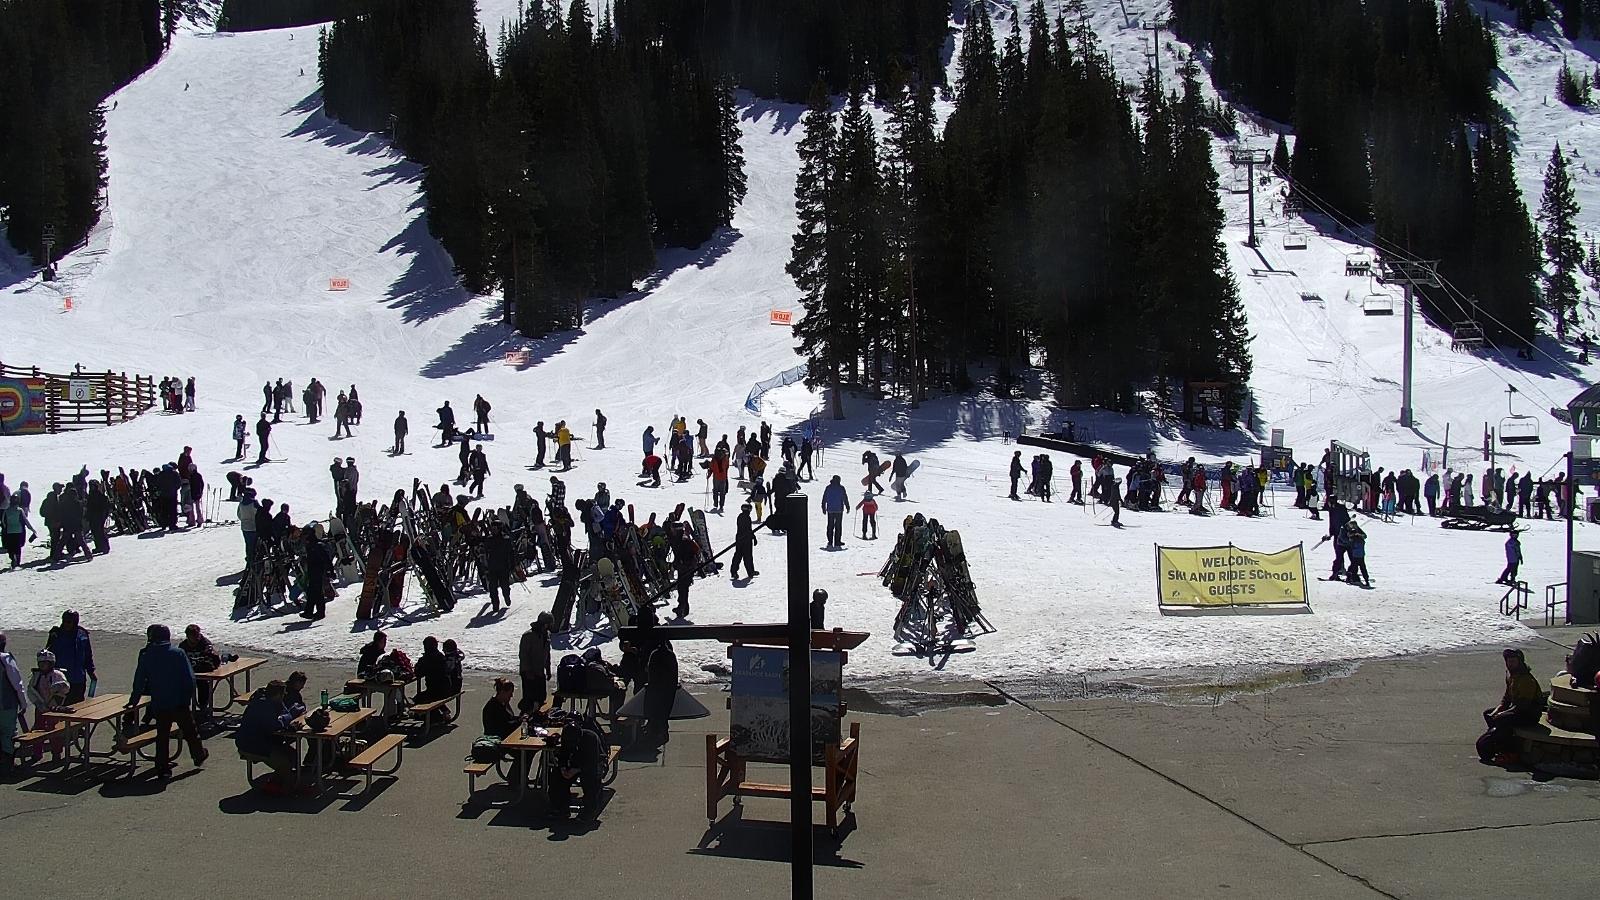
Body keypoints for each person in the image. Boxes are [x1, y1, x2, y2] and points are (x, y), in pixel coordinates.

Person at [127, 624, 209, 777]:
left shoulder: (146, 655)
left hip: (160, 702)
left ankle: (162, 767)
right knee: (190, 731)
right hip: (179, 702)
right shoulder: (178, 653)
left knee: (162, 735)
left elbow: (139, 680)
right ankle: (198, 755)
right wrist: (187, 697)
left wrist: (134, 700)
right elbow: (189, 678)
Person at [1477, 648, 1545, 766]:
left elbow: (1522, 706)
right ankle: (1499, 742)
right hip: (1516, 710)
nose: (1510, 664)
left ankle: (1511, 751)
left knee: (1502, 720)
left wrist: (1501, 714)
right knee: (1488, 714)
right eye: (1508, 661)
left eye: (1513, 661)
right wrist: (1498, 709)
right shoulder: (1511, 676)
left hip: (1529, 714)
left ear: (1520, 662)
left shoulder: (1526, 680)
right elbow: (1507, 698)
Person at [236, 680, 298, 793]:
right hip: (253, 745)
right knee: (285, 763)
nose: (285, 696)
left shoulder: (266, 701)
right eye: (283, 694)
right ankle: (279, 788)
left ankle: (278, 781)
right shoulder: (264, 706)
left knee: (293, 754)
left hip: (257, 741)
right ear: (278, 694)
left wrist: (282, 709)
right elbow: (273, 726)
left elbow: (282, 717)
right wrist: (287, 717)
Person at [550, 721, 605, 817]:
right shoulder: (566, 738)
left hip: (594, 762)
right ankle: (561, 807)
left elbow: (593, 761)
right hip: (575, 762)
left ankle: (589, 809)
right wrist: (563, 768)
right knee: (556, 776)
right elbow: (563, 754)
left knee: (590, 779)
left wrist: (577, 770)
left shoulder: (591, 738)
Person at [45, 611, 95, 704]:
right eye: (64, 621)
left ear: (75, 622)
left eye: (69, 622)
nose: (66, 624)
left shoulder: (83, 635)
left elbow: (88, 655)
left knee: (78, 707)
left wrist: (91, 671)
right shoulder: (56, 634)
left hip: (78, 678)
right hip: (60, 679)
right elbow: (48, 656)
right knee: (60, 707)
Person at [0, 633, 28, 773]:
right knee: (8, 733)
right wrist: (23, 703)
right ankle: (7, 765)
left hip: (5, 703)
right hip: (6, 703)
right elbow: (17, 684)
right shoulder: (5, 659)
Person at [519, 614, 553, 713]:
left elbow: (547, 653)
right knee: (529, 699)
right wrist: (528, 671)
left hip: (539, 670)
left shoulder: (547, 635)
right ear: (545, 624)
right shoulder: (528, 635)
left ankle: (537, 716)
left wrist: (548, 669)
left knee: (541, 697)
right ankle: (525, 718)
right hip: (528, 672)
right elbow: (523, 655)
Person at [414, 637, 452, 702]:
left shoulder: (427, 658)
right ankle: (441, 709)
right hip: (447, 689)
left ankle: (434, 712)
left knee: (417, 699)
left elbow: (418, 673)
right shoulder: (440, 656)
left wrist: (420, 662)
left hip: (436, 692)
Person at [730, 503, 758, 581]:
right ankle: (750, 572)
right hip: (746, 539)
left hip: (740, 538)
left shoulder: (740, 516)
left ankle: (734, 571)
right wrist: (753, 537)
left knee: (738, 555)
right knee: (747, 556)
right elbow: (748, 529)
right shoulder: (746, 517)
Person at [821, 475, 848, 549]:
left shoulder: (828, 488)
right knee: (838, 526)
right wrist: (847, 506)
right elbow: (845, 498)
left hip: (830, 509)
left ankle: (830, 541)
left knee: (830, 526)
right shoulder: (841, 488)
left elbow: (824, 498)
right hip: (839, 509)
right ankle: (837, 542)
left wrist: (823, 507)